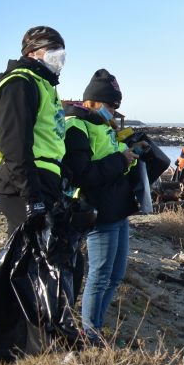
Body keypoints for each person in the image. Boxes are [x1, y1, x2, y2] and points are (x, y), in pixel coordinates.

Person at [62, 69, 140, 345]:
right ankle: (89, 333)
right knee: (100, 275)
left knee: (116, 275)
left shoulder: (103, 126)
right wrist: (121, 160)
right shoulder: (76, 127)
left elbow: (109, 165)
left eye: (116, 106)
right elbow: (84, 175)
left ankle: (95, 327)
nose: (113, 110)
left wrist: (128, 156)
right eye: (110, 105)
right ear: (93, 102)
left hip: (118, 209)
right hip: (97, 211)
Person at [0, 26, 68, 235]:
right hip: (23, 183)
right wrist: (32, 196)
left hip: (43, 179)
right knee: (29, 255)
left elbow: (51, 140)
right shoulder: (21, 83)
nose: (59, 56)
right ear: (31, 52)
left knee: (36, 255)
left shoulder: (45, 85)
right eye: (51, 49)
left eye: (61, 50)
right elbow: (14, 144)